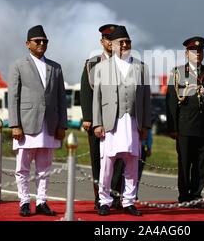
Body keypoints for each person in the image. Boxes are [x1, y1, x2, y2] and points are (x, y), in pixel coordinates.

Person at [8, 25, 67, 217]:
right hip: (26, 124)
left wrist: (62, 125)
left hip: (49, 125)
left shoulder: (55, 67)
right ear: (28, 44)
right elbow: (13, 97)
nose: (42, 44)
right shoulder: (18, 65)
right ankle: (24, 201)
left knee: (44, 168)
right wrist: (15, 124)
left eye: (45, 41)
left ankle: (41, 201)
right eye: (38, 41)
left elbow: (61, 98)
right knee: (22, 167)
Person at [92, 25, 151, 216]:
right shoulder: (102, 67)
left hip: (133, 122)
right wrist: (97, 123)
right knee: (107, 163)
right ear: (113, 44)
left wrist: (145, 126)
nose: (124, 45)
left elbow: (146, 99)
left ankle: (128, 201)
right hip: (111, 123)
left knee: (132, 162)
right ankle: (105, 201)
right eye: (120, 42)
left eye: (127, 42)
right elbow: (97, 99)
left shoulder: (141, 67)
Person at [80, 24, 124, 210]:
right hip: (98, 121)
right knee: (98, 160)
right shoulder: (92, 63)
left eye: (113, 39)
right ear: (102, 41)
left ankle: (114, 195)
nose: (109, 42)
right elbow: (86, 92)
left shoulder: (126, 63)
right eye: (107, 39)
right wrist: (89, 118)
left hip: (119, 120)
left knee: (119, 158)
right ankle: (100, 197)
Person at [166, 36, 204, 208]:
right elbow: (171, 102)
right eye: (194, 51)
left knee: (201, 164)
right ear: (187, 53)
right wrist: (172, 128)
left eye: (200, 51)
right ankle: (184, 195)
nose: (197, 54)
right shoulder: (178, 73)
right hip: (185, 126)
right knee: (185, 163)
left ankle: (196, 194)